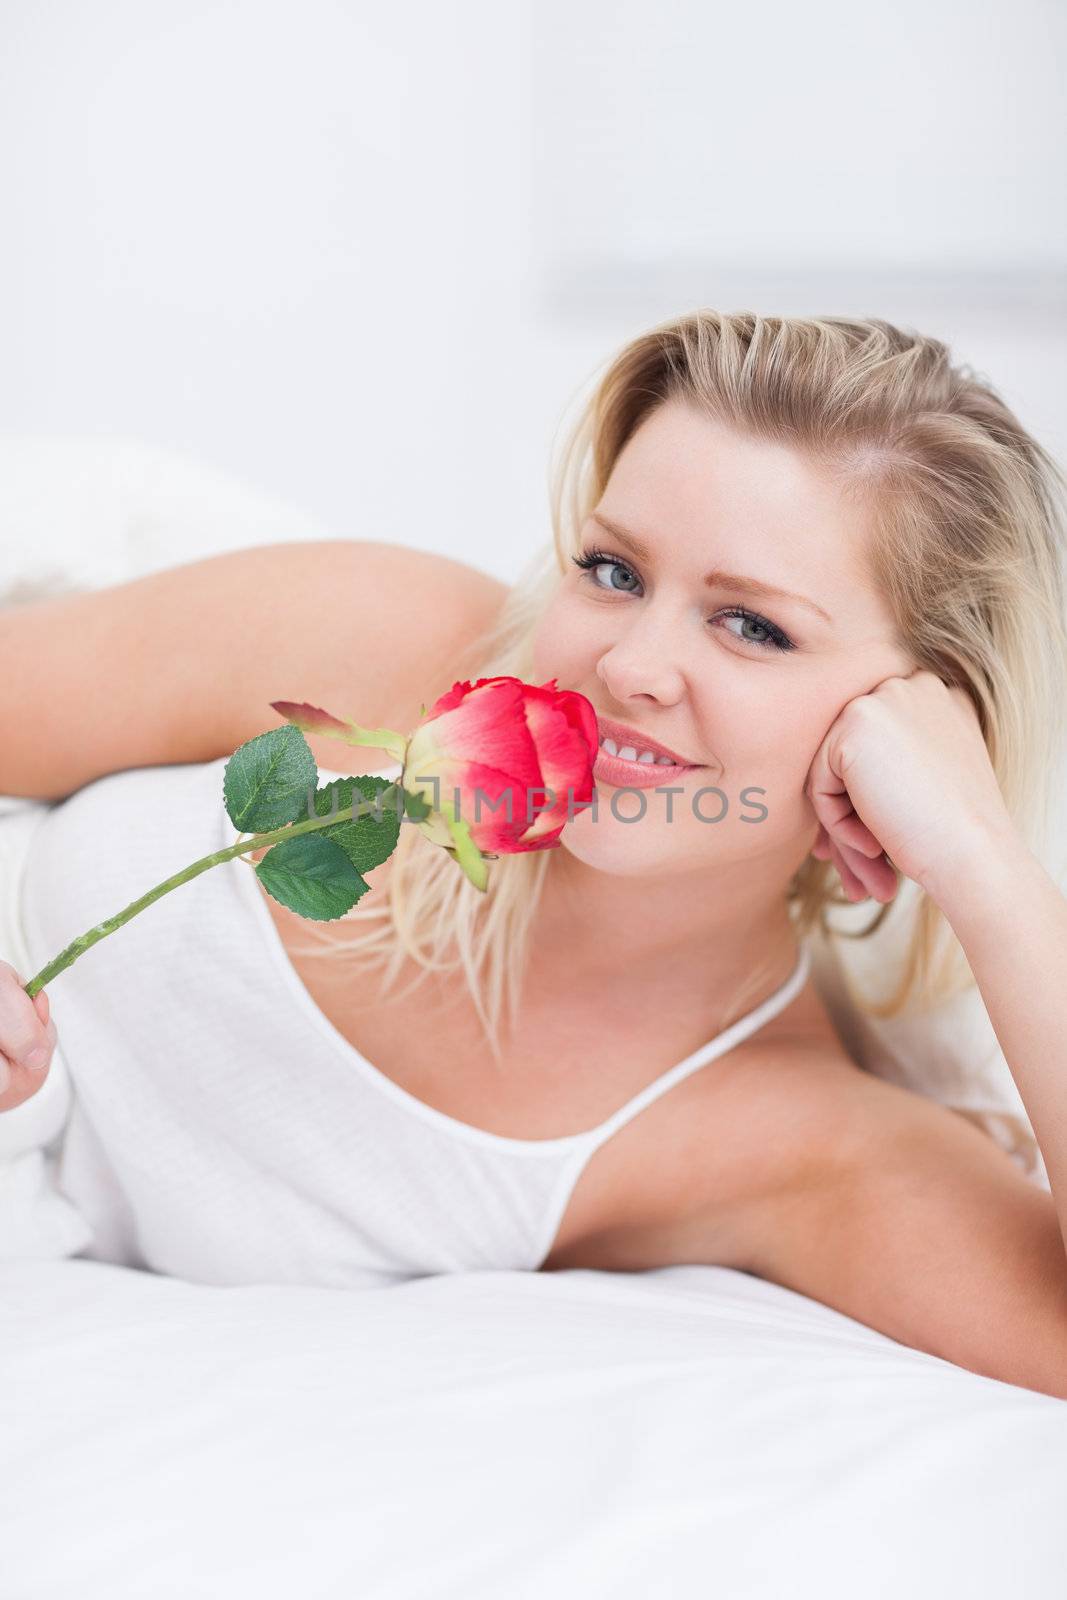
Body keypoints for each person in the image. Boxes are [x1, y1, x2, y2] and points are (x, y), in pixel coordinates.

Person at [3, 310, 1067, 1399]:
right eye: (612, 570)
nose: (630, 664)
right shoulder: (385, 645)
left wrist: (987, 871)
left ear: (923, 722)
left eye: (752, 627)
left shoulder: (781, 1129)